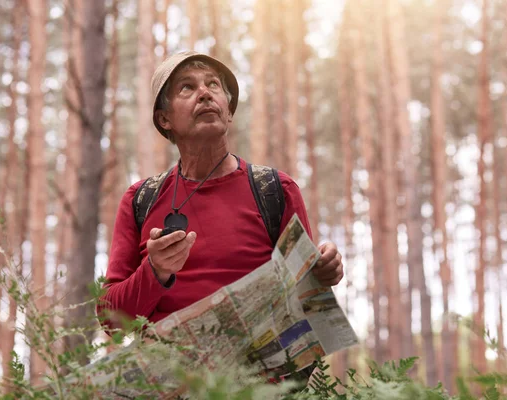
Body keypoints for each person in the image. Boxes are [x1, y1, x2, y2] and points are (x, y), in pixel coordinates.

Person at [97, 50, 344, 379]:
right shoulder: (140, 200)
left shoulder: (275, 190)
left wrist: (325, 271)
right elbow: (112, 320)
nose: (204, 92)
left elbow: (307, 300)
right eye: (186, 87)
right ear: (164, 119)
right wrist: (154, 272)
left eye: (213, 85)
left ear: (228, 113)